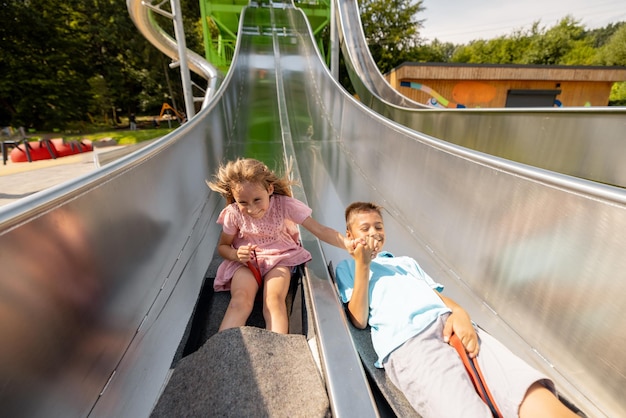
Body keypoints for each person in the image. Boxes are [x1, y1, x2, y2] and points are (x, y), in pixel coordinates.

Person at [335, 202, 579, 418]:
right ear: (350, 235)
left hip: (450, 322)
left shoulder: (404, 263)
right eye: (364, 228)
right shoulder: (348, 268)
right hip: (410, 342)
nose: (373, 233)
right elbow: (359, 319)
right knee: (461, 410)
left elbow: (436, 295)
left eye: (378, 226)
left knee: (524, 389)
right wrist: (363, 265)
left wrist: (461, 313)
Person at [207, 158, 350, 334]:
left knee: (273, 300)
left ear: (270, 189)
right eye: (243, 202)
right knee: (240, 301)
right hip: (246, 263)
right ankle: (223, 348)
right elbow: (223, 247)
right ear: (235, 198)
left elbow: (319, 230)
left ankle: (277, 348)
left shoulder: (283, 205)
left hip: (279, 258)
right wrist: (236, 255)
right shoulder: (233, 213)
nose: (251, 208)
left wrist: (349, 244)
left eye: (257, 199)